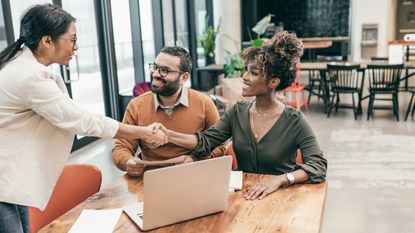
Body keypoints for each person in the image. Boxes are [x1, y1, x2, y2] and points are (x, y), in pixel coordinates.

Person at [0, 4, 166, 232]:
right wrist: (144, 132)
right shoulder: (28, 76)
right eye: (72, 39)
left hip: (10, 180)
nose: (76, 47)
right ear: (47, 41)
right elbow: (82, 120)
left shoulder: (22, 66)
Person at [156, 31, 327, 200]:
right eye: (246, 70)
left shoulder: (294, 120)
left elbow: (318, 166)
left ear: (273, 82)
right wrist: (168, 135)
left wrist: (282, 179)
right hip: (243, 196)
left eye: (253, 73)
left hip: (279, 198)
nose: (244, 77)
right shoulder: (237, 112)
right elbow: (205, 141)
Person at [112, 46, 225, 177]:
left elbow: (220, 144)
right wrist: (128, 161)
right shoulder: (136, 105)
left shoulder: (204, 103)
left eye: (164, 70)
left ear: (184, 77)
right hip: (150, 177)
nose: (155, 74)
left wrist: (196, 160)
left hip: (194, 174)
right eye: (154, 67)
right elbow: (121, 146)